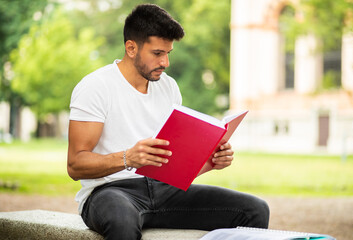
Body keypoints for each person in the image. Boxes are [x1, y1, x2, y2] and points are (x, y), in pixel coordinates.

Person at [67, 3, 269, 240]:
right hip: (110, 192)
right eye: (157, 54)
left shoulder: (168, 87)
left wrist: (210, 161)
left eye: (168, 53)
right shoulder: (96, 87)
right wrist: (127, 158)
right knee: (122, 220)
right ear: (131, 48)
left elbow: (173, 167)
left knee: (254, 210)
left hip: (164, 191)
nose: (165, 62)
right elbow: (75, 165)